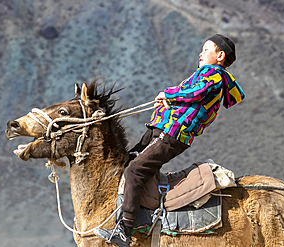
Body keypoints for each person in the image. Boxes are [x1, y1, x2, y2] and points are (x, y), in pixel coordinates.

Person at [94, 34, 245, 247]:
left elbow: (194, 94)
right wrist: (167, 105)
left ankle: (124, 230)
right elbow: (187, 100)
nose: (200, 54)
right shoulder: (204, 74)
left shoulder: (215, 76)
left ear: (220, 55)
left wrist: (168, 95)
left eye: (206, 49)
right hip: (161, 130)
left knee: (135, 170)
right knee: (129, 159)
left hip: (173, 135)